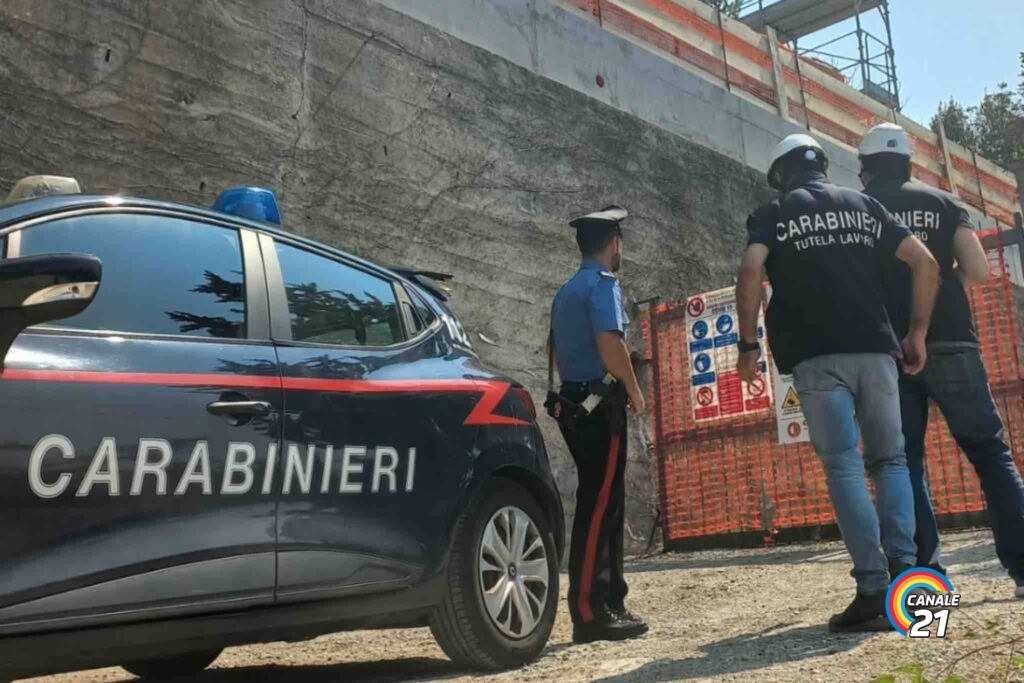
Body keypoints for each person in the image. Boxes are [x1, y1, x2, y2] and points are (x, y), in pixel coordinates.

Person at [735, 133, 940, 631]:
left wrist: (746, 346)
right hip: (876, 348)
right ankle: (908, 580)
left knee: (844, 467)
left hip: (815, 356)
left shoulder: (773, 212)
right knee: (890, 460)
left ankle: (872, 590)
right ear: (824, 167)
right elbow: (926, 262)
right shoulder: (864, 204)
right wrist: (917, 333)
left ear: (782, 174)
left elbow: (750, 269)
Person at [859, 122, 1024, 600]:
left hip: (893, 348)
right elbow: (974, 269)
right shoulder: (944, 202)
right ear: (910, 161)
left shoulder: (864, 208)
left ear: (866, 169)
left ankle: (927, 581)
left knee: (906, 461)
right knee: (990, 455)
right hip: (953, 340)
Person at [548, 205, 649, 644]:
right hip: (599, 405)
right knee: (599, 502)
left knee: (606, 500)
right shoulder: (603, 285)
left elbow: (554, 351)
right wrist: (633, 388)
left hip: (574, 402)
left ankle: (610, 599)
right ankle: (590, 611)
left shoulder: (567, 290)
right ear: (614, 245)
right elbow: (611, 344)